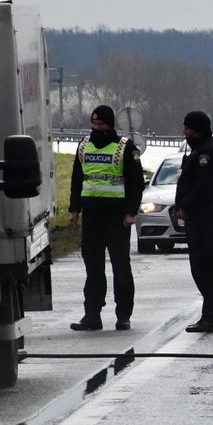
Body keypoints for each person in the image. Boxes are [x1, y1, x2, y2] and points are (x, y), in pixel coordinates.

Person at [67, 105, 145, 331]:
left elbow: (136, 183)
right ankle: (92, 316)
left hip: (116, 217)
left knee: (121, 267)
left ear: (110, 125)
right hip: (92, 216)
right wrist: (74, 210)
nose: (96, 128)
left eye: (101, 124)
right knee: (93, 268)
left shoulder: (124, 147)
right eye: (94, 124)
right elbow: (77, 180)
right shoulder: (83, 146)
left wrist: (131, 212)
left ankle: (123, 315)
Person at [172, 111, 213, 333]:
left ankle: (212, 316)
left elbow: (202, 188)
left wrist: (185, 205)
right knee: (200, 267)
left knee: (205, 267)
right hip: (199, 216)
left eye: (189, 129)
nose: (185, 133)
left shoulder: (208, 153)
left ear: (199, 130)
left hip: (203, 217)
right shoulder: (199, 150)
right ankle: (210, 314)